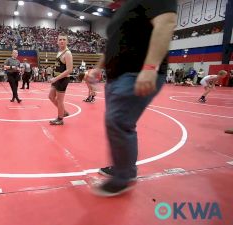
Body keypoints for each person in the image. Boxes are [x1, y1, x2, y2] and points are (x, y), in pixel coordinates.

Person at [89, 0, 178, 196]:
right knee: (122, 123)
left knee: (118, 121)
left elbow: (166, 23)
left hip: (135, 72)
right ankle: (125, 168)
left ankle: (123, 177)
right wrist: (98, 68)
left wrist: (150, 67)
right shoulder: (123, 9)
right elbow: (113, 44)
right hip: (116, 76)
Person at [48, 33, 73, 125]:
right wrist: (54, 77)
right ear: (57, 41)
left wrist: (55, 78)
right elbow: (58, 67)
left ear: (67, 41)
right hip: (57, 78)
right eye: (60, 39)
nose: (62, 41)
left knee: (59, 100)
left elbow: (69, 70)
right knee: (51, 96)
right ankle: (64, 112)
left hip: (62, 79)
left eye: (64, 39)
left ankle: (60, 119)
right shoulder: (59, 52)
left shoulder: (67, 53)